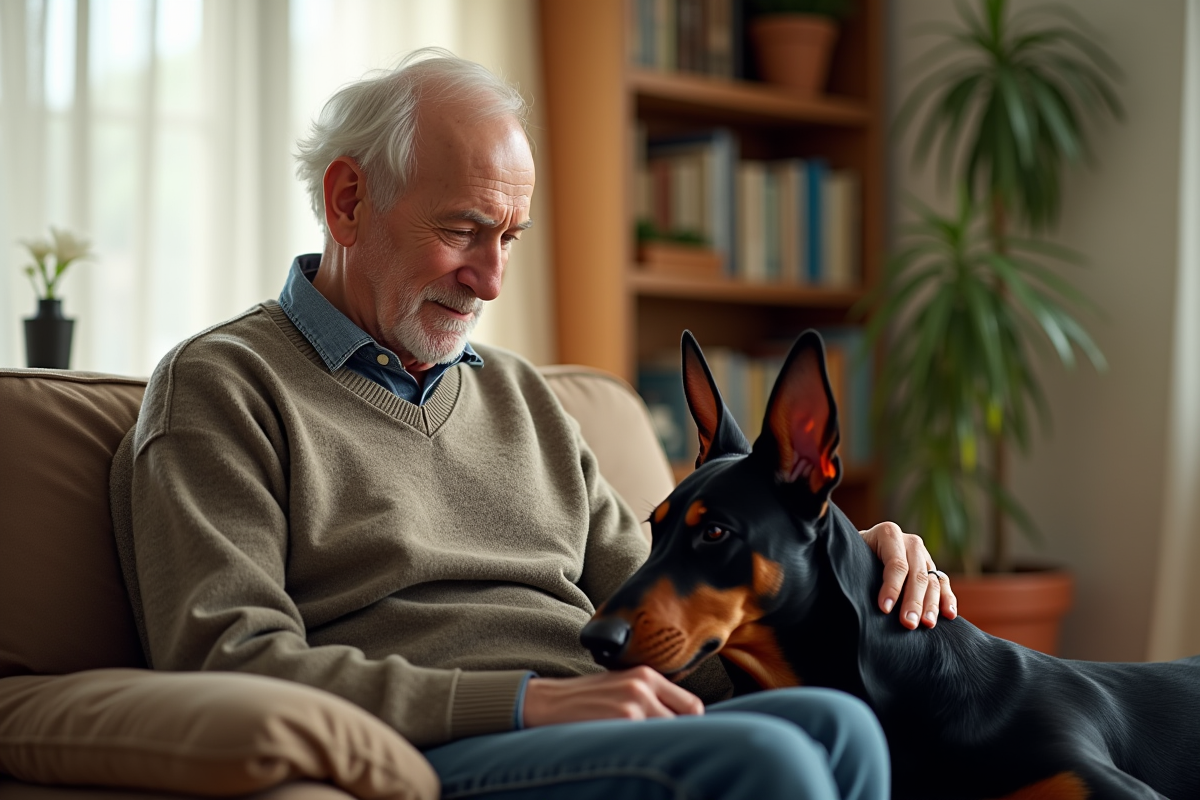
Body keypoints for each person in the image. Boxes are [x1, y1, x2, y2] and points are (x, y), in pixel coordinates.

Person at [120, 48, 957, 800]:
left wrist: (839, 560)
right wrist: (529, 702)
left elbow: (671, 613)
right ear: (347, 203)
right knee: (771, 766)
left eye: (511, 238)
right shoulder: (221, 386)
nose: (490, 281)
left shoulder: (524, 398)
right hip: (438, 747)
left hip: (605, 717)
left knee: (840, 726)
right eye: (463, 231)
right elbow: (224, 660)